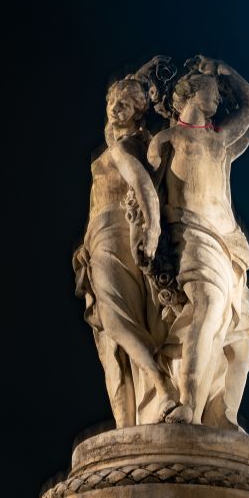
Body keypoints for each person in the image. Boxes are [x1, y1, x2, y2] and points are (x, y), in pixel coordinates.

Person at [147, 56, 249, 427]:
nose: (216, 99)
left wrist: (224, 69)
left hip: (231, 245)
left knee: (239, 350)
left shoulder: (219, 141)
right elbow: (145, 195)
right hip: (192, 235)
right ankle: (188, 407)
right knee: (208, 306)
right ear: (189, 95)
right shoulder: (167, 140)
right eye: (210, 91)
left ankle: (224, 418)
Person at [73, 68, 177, 428]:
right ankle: (136, 413)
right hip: (100, 238)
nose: (115, 108)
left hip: (113, 233)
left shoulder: (123, 148)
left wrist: (152, 230)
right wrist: (143, 78)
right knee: (114, 333)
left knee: (116, 321)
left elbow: (143, 187)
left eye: (125, 103)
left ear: (138, 110)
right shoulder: (123, 140)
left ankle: (163, 386)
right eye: (112, 102)